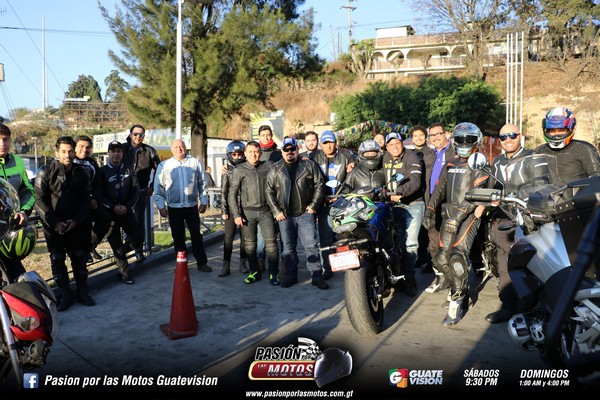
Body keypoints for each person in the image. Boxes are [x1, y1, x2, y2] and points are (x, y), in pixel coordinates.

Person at [422, 122, 489, 327]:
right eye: (460, 139)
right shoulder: (450, 163)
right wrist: (429, 209)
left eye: (469, 140)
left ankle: (456, 301)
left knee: (457, 256)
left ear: (477, 141)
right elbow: (439, 188)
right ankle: (462, 289)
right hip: (448, 214)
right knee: (442, 257)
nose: (464, 143)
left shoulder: (480, 163)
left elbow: (475, 194)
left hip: (468, 215)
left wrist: (457, 218)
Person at [34, 136, 95, 311]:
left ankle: (82, 291)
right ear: (57, 153)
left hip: (76, 224)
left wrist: (75, 220)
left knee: (79, 257)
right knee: (57, 259)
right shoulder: (45, 172)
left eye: (70, 151)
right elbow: (39, 200)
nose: (67, 155)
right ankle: (65, 294)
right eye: (63, 151)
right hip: (54, 225)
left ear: (75, 152)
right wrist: (54, 223)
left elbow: (85, 200)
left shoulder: (81, 173)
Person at [485, 123, 532, 323]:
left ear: (520, 136)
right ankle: (508, 306)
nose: (508, 140)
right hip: (504, 218)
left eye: (512, 135)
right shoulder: (498, 161)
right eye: (503, 137)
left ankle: (530, 307)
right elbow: (492, 187)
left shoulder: (531, 157)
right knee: (504, 263)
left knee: (529, 264)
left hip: (528, 218)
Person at [266, 137, 327, 290]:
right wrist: (276, 211)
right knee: (288, 248)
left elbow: (319, 184)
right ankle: (291, 275)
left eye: (292, 149)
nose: (289, 152)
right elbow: (269, 191)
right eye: (286, 150)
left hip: (305, 213)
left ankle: (316, 275)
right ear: (282, 151)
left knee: (311, 245)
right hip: (285, 215)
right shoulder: (275, 168)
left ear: (297, 149)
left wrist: (313, 206)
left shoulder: (309, 165)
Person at [154, 139, 212, 272]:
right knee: (178, 237)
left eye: (181, 146)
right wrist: (161, 206)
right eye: (176, 147)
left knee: (196, 236)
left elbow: (202, 183)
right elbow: (158, 188)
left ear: (186, 148)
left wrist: (203, 201)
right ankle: (181, 265)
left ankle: (202, 263)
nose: (179, 149)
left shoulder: (195, 163)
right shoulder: (164, 165)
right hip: (174, 208)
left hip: (191, 207)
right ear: (171, 149)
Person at [228, 141, 280, 284]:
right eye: (250, 152)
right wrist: (236, 215)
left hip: (266, 211)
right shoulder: (239, 170)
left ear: (260, 153)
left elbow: (284, 165)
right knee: (250, 245)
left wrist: (303, 158)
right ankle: (254, 272)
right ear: (245, 153)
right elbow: (232, 194)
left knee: (271, 244)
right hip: (247, 213)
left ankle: (273, 273)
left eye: (256, 152)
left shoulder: (268, 166)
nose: (253, 155)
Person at [381, 132, 424, 297]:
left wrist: (401, 192)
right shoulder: (385, 157)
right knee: (393, 243)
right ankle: (396, 277)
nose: (394, 147)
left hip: (412, 205)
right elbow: (368, 162)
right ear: (386, 147)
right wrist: (352, 164)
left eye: (397, 143)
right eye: (390, 144)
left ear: (402, 143)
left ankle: (409, 278)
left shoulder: (411, 157)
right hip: (392, 206)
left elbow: (415, 180)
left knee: (410, 244)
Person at [95, 140, 142, 284]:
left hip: (126, 211)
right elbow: (99, 195)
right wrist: (112, 207)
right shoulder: (102, 171)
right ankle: (125, 274)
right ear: (108, 153)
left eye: (119, 151)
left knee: (138, 238)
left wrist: (127, 206)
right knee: (116, 244)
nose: (116, 154)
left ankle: (121, 250)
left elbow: (136, 192)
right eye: (113, 151)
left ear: (122, 153)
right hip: (110, 214)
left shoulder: (129, 170)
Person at [310, 130, 355, 280]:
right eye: (325, 143)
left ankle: (349, 266)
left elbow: (357, 166)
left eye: (331, 142)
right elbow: (311, 180)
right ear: (321, 144)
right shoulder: (314, 157)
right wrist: (321, 197)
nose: (328, 146)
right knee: (326, 237)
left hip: (342, 201)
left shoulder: (346, 155)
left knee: (345, 234)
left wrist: (354, 164)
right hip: (323, 202)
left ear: (336, 143)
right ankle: (327, 268)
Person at [0, 123, 36, 283]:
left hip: (11, 228)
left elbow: (28, 191)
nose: (3, 144)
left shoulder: (18, 162)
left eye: (6, 139)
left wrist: (24, 211)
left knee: (19, 277)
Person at [423, 122, 456, 292]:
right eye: (432, 135)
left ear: (446, 134)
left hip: (450, 203)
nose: (436, 137)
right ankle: (440, 277)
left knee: (450, 245)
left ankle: (455, 281)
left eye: (438, 134)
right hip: (432, 205)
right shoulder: (428, 155)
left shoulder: (455, 152)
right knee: (433, 244)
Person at [123, 124, 161, 262]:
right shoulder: (122, 148)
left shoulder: (149, 151)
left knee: (139, 220)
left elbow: (159, 170)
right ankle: (123, 252)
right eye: (135, 134)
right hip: (124, 191)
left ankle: (138, 251)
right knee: (124, 220)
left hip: (142, 190)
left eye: (141, 135)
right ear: (130, 134)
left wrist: (152, 186)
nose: (138, 137)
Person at [534, 107, 600, 183]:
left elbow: (596, 176)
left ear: (572, 129)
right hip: (547, 191)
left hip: (578, 190)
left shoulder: (584, 149)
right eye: (552, 130)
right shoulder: (538, 152)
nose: (557, 134)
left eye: (562, 130)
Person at [73, 135, 110, 261]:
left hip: (90, 201)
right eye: (81, 146)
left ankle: (90, 246)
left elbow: (98, 185)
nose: (84, 149)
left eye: (88, 147)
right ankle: (83, 252)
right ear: (75, 147)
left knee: (105, 218)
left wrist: (95, 199)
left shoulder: (92, 163)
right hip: (74, 203)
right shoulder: (69, 161)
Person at [219, 140, 248, 277]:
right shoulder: (227, 170)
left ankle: (243, 263)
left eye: (239, 154)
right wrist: (224, 210)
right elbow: (223, 191)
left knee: (245, 238)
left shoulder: (248, 168)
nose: (237, 157)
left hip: (246, 208)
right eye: (234, 154)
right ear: (229, 155)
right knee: (228, 238)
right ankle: (226, 265)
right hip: (231, 209)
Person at [410, 126, 436, 270]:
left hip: (427, 193)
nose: (418, 138)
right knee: (418, 229)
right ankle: (420, 256)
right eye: (415, 136)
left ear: (425, 137)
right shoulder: (410, 153)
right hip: (415, 195)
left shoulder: (431, 153)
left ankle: (429, 259)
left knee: (428, 228)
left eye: (421, 135)